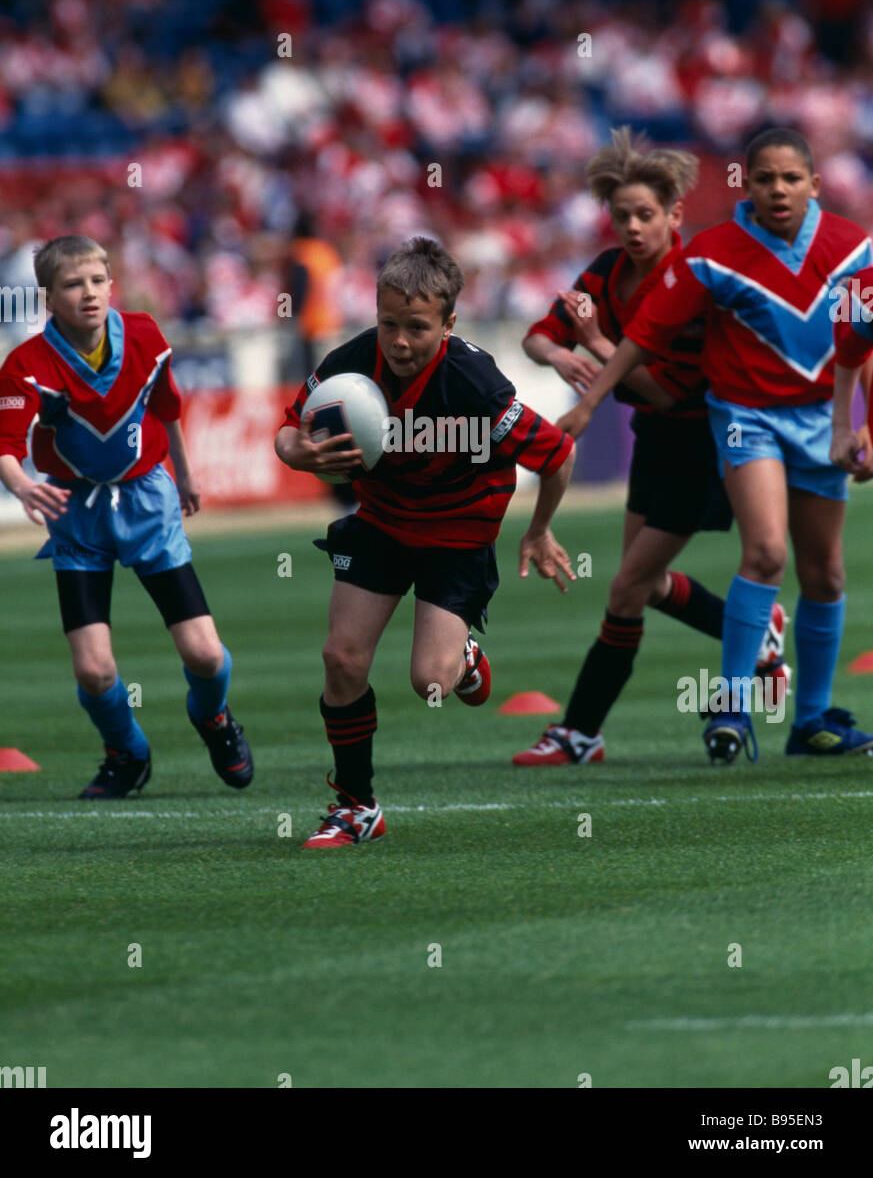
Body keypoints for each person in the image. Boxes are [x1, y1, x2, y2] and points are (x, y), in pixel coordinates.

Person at [561, 129, 873, 761]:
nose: (777, 190)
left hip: (819, 420)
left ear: (814, 184)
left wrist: (862, 425)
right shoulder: (711, 254)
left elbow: (862, 341)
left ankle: (811, 721)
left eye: (790, 178)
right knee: (764, 553)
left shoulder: (854, 249)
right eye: (764, 179)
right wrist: (590, 402)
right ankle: (731, 708)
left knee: (826, 573)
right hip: (743, 417)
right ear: (746, 185)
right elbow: (644, 336)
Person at [275, 235, 576, 847]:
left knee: (431, 681)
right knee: (342, 657)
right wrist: (301, 454)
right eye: (390, 324)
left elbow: (558, 455)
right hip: (382, 522)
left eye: (418, 327)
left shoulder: (473, 382)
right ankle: (356, 807)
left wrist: (539, 531)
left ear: (449, 323)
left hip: (460, 531)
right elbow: (287, 432)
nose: (401, 341)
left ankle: (461, 657)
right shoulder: (348, 365)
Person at [515, 127, 785, 767]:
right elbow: (537, 335)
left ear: (675, 216)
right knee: (641, 586)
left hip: (701, 444)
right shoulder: (606, 272)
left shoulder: (692, 281)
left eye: (645, 215)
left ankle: (580, 733)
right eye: (621, 215)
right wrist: (558, 351)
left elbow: (667, 392)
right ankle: (757, 631)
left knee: (625, 588)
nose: (633, 227)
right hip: (653, 442)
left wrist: (596, 343)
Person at [0, 236, 253, 798]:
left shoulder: (144, 334)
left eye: (97, 280)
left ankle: (214, 719)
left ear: (111, 283)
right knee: (94, 671)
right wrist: (22, 486)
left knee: (205, 655)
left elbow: (167, 409)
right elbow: (6, 444)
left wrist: (184, 474)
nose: (88, 293)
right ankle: (127, 754)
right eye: (72, 284)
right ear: (47, 297)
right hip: (76, 513)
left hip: (147, 503)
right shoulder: (26, 366)